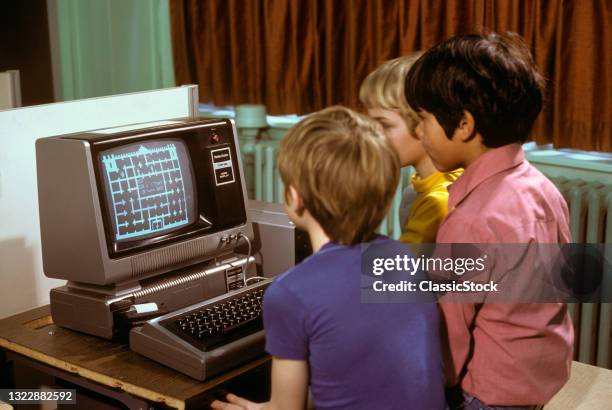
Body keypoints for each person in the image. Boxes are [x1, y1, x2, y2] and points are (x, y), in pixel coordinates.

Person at [211, 106, 445, 410]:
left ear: (295, 198)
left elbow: (287, 409)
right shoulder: (405, 259)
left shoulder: (289, 293)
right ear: (386, 198)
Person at [404, 32, 573, 409]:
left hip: (487, 392)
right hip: (537, 377)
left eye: (424, 119)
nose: (419, 132)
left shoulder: (470, 220)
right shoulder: (543, 190)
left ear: (463, 124)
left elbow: (449, 338)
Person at [359, 55, 461, 244]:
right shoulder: (423, 185)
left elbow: (397, 269)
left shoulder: (437, 203)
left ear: (424, 124)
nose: (373, 135)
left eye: (385, 125)